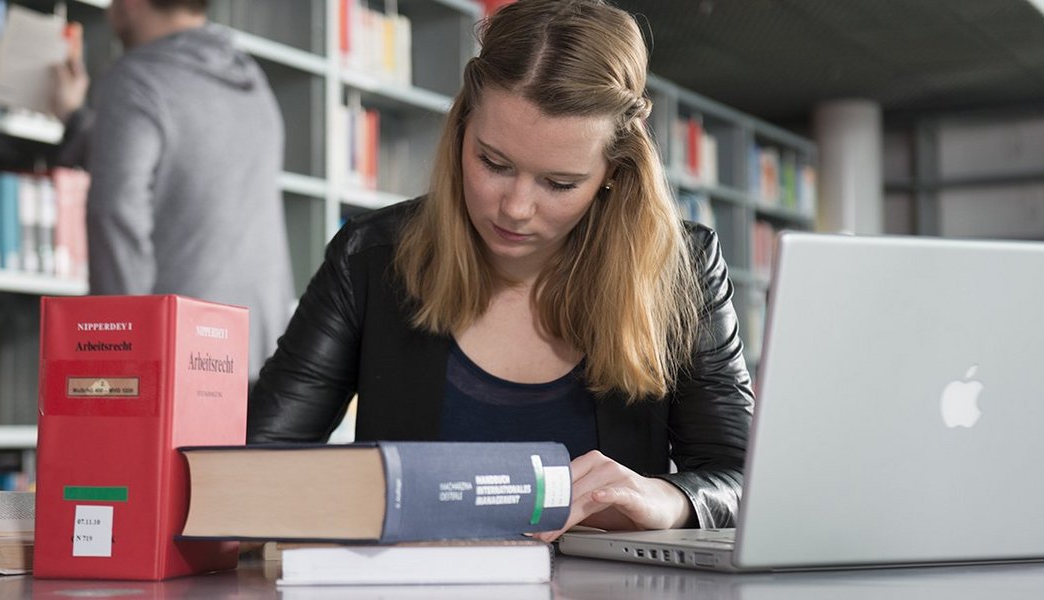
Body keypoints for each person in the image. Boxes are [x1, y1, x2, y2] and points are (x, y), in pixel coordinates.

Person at [248, 0, 753, 538]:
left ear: (613, 171)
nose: (514, 207)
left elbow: (746, 483)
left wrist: (669, 498)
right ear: (462, 126)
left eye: (559, 183)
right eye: (493, 162)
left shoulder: (681, 270)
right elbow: (255, 466)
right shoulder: (370, 256)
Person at [52, 0, 294, 379]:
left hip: (180, 359)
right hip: (262, 352)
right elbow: (181, 169)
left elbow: (115, 212)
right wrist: (77, 119)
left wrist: (118, 357)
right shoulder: (251, 81)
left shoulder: (136, 79)